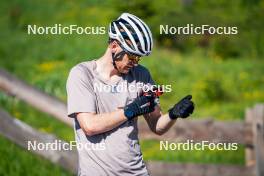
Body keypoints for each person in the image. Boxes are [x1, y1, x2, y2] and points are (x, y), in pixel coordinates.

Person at [66, 12, 194, 176]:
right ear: (114, 46)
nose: (135, 63)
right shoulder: (81, 74)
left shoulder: (142, 75)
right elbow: (90, 126)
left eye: (139, 58)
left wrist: (173, 114)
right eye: (132, 56)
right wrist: (130, 110)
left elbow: (157, 126)